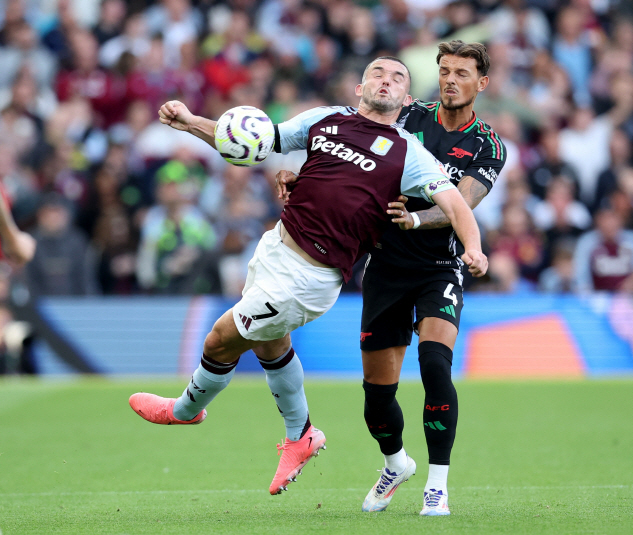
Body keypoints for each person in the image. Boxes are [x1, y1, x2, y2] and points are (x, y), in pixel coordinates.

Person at [128, 56, 488, 500]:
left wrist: (472, 247)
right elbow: (257, 141)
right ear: (359, 87)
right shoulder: (326, 119)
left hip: (311, 277)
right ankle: (301, 436)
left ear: (406, 99)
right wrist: (190, 123)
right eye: (377, 73)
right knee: (268, 342)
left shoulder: (407, 152)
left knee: (219, 339)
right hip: (275, 247)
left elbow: (456, 204)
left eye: (397, 78)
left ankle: (184, 410)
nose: (386, 81)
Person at [278, 40, 506, 516]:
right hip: (384, 263)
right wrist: (301, 179)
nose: (450, 80)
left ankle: (437, 486)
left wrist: (444, 233)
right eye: (444, 71)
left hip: (439, 267)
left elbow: (461, 203)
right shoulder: (406, 115)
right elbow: (348, 155)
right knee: (377, 395)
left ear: (481, 83)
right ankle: (395, 463)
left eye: (462, 74)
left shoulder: (487, 144)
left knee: (434, 364)